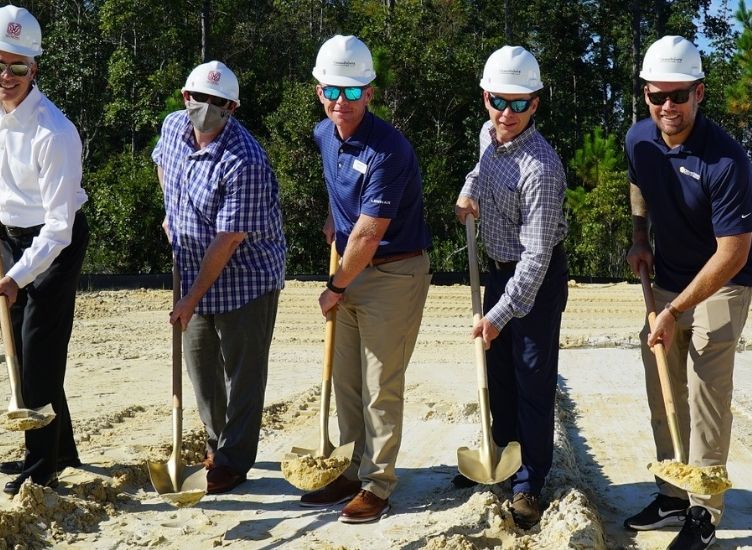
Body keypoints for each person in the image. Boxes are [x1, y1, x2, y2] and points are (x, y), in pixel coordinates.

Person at [621, 35, 752, 550]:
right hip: (669, 276)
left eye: (678, 95)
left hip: (722, 282)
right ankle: (672, 495)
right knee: (662, 384)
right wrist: (640, 237)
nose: (667, 107)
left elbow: (733, 254)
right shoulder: (639, 138)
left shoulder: (726, 160)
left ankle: (703, 511)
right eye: (657, 96)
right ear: (646, 94)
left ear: (699, 93)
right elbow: (638, 182)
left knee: (705, 394)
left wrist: (676, 308)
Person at [299, 34, 432, 524]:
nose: (342, 100)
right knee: (347, 383)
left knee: (380, 385)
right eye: (333, 90)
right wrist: (333, 218)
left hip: (393, 272)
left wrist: (334, 287)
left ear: (369, 93)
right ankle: (352, 469)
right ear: (319, 91)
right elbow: (340, 192)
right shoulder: (323, 133)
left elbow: (371, 232)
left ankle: (377, 484)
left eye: (353, 91)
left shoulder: (389, 150)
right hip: (350, 265)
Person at [152, 60, 287, 495]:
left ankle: (233, 461)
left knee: (243, 373)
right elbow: (162, 163)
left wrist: (190, 299)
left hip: (247, 276)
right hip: (193, 265)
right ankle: (216, 445)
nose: (207, 108)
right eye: (199, 98)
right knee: (201, 368)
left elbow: (227, 241)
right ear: (185, 97)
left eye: (219, 102)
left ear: (233, 108)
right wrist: (171, 211)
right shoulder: (173, 127)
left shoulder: (245, 160)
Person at [0, 5, 89, 496]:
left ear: (33, 69)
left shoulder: (54, 133)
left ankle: (41, 466)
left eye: (17, 67)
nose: (7, 77)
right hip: (11, 233)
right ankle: (62, 448)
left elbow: (59, 228)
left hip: (56, 242)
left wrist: (17, 277)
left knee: (39, 349)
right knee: (23, 348)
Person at [453, 46, 569, 529]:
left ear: (534, 104)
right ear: (485, 98)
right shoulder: (489, 134)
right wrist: (469, 191)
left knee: (531, 383)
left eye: (519, 103)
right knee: (497, 372)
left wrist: (498, 316)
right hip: (499, 270)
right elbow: (480, 169)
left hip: (536, 281)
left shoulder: (541, 169)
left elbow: (537, 259)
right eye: (498, 101)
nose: (507, 112)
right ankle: (498, 452)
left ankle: (529, 481)